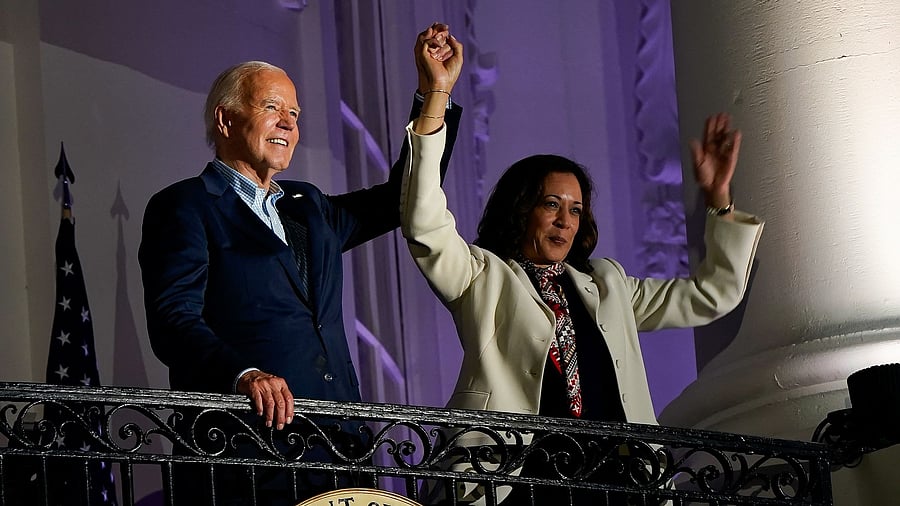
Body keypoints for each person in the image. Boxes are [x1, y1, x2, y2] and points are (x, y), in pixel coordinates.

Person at [138, 23, 463, 503]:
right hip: (247, 451)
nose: (289, 122)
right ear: (226, 121)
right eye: (271, 108)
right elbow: (173, 320)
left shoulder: (308, 205)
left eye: (294, 112)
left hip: (340, 450)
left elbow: (402, 198)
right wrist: (244, 373)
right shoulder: (186, 206)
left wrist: (434, 93)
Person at [400, 112, 763, 503]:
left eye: (575, 210)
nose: (564, 221)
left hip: (618, 483)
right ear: (522, 210)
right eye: (551, 205)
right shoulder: (483, 277)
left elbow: (713, 293)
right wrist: (435, 104)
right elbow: (426, 226)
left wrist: (718, 201)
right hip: (514, 480)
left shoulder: (607, 284)